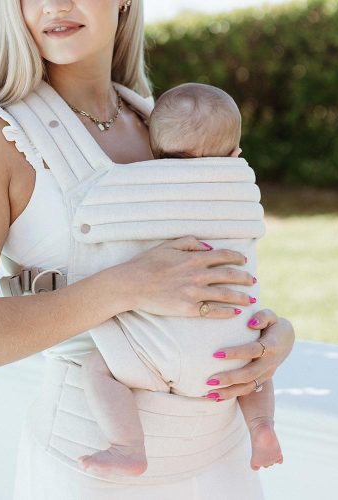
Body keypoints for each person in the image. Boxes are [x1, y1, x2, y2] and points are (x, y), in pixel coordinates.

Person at [0, 1, 295, 499]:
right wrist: (129, 285)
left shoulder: (163, 124)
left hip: (224, 462)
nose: (55, 5)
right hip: (94, 472)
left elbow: (215, 261)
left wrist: (267, 338)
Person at [77, 82, 283, 478]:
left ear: (154, 152)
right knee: (257, 367)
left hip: (159, 349)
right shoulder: (242, 191)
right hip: (231, 342)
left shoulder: (139, 186)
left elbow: (94, 221)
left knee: (97, 368)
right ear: (235, 155)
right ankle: (262, 427)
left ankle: (127, 447)